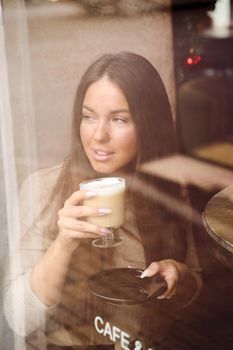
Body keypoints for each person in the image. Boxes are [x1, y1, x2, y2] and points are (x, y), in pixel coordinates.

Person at [3, 52, 202, 349]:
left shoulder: (167, 189)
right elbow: (17, 318)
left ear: (148, 125)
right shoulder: (45, 188)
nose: (98, 136)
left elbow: (195, 293)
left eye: (119, 119)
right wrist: (64, 243)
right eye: (88, 116)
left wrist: (180, 276)